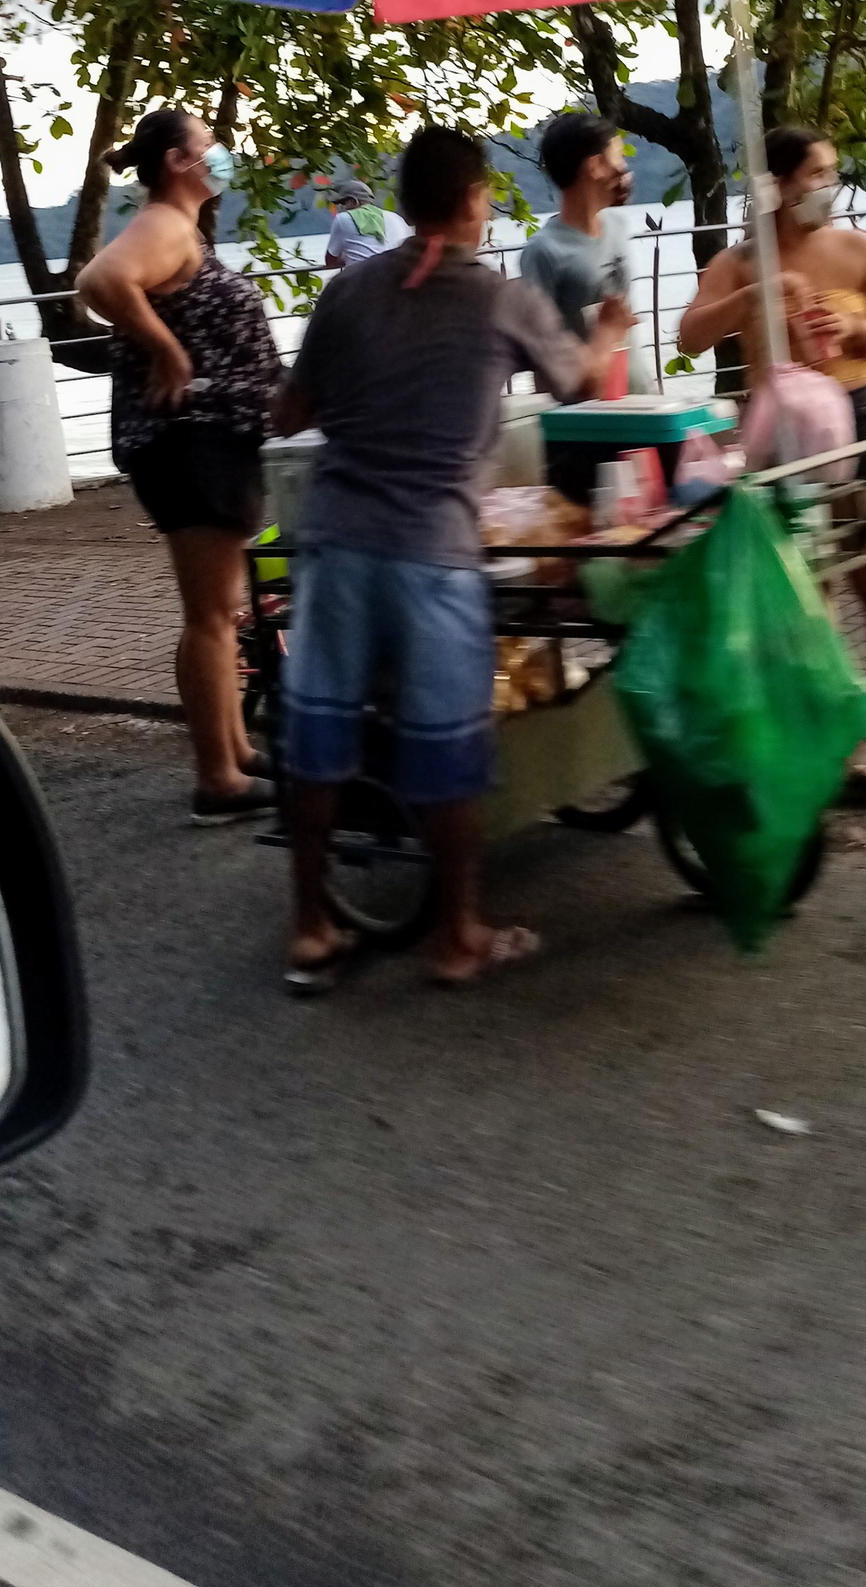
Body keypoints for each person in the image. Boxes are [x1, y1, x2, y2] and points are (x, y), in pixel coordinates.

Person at [269, 125, 632, 992]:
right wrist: (612, 328)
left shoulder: (348, 292)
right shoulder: (498, 296)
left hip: (336, 538)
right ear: (476, 202)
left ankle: (312, 926)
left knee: (318, 732)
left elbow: (288, 415)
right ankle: (457, 935)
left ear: (402, 206)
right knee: (447, 745)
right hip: (434, 549)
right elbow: (579, 385)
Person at [674, 128, 866, 778]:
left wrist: (854, 328)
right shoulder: (739, 261)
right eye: (816, 175)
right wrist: (752, 296)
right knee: (803, 588)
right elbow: (690, 337)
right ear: (779, 186)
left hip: (861, 422)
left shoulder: (858, 249)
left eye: (832, 173)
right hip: (781, 435)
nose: (827, 188)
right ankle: (821, 716)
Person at [79, 107, 281, 821]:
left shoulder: (180, 229)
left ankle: (236, 752)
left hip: (208, 442)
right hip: (192, 442)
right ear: (176, 161)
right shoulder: (164, 223)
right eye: (209, 147)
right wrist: (167, 351)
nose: (220, 156)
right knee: (207, 617)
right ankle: (217, 778)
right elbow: (101, 281)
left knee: (219, 614)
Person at [520, 112, 634, 340]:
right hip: (582, 376)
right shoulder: (542, 252)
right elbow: (541, 348)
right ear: (595, 166)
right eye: (618, 156)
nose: (624, 168)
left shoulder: (616, 226)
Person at [324, 177, 406, 271]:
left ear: (354, 201)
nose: (342, 207)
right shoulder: (395, 217)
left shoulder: (343, 218)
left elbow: (330, 261)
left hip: (362, 279)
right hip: (395, 277)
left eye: (343, 203)